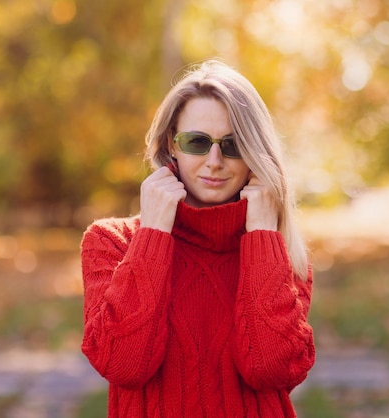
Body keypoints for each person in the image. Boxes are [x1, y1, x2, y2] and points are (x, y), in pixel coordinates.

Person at [80, 60, 315, 417]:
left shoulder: (280, 254)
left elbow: (271, 369)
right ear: (171, 145)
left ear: (255, 153)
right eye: (197, 142)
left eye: (234, 145)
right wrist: (154, 235)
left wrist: (263, 236)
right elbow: (124, 364)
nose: (215, 161)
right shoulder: (112, 243)